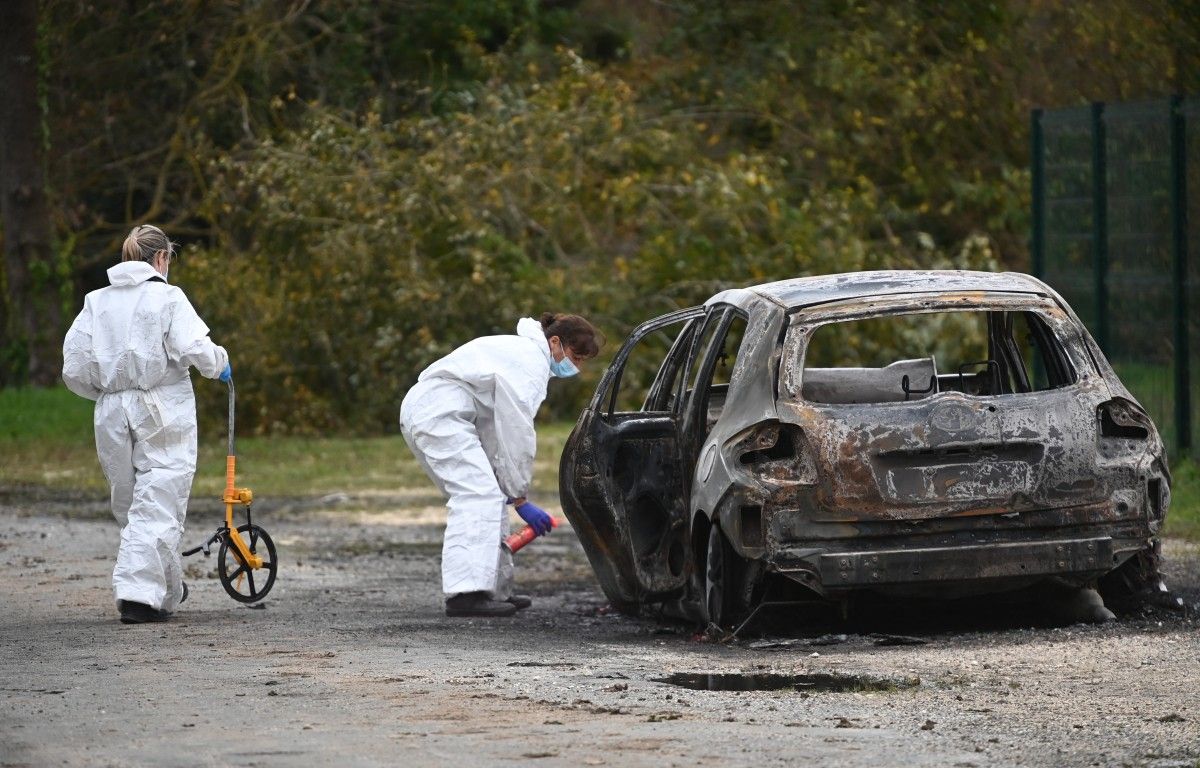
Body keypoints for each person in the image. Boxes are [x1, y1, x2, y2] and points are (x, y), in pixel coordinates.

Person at [62, 224, 231, 624]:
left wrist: (106, 393)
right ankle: (138, 596)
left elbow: (73, 366)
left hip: (110, 410)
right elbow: (195, 348)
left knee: (130, 498)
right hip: (160, 406)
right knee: (160, 495)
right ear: (161, 258)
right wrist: (221, 364)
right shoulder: (167, 297)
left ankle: (166, 587)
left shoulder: (95, 301)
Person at [400, 312, 602, 617]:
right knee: (477, 495)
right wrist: (520, 497)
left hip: (443, 415)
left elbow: (495, 428)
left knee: (489, 494)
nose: (575, 366)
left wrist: (509, 488)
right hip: (438, 415)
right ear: (555, 341)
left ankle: (493, 589)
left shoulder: (523, 355)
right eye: (574, 356)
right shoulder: (528, 362)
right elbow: (515, 429)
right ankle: (464, 595)